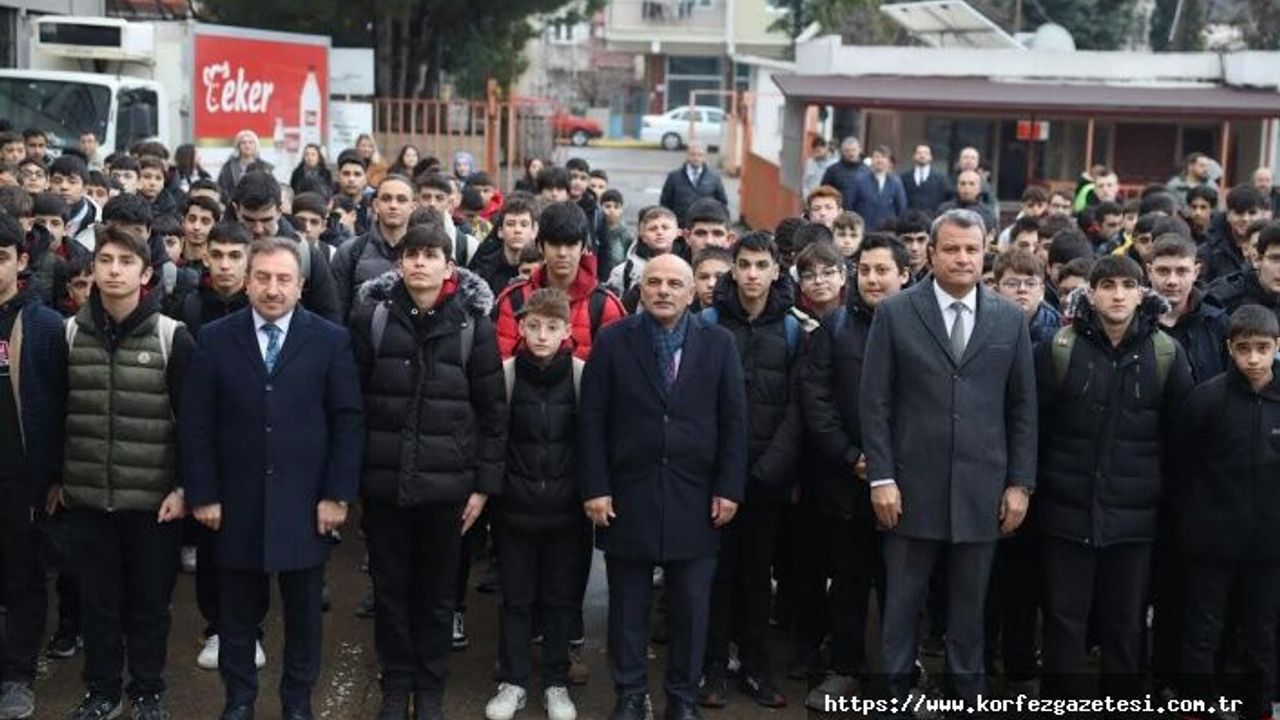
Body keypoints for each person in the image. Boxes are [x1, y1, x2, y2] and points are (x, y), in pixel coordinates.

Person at [860, 208, 1037, 707]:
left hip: (984, 492)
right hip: (909, 490)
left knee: (969, 612)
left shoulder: (1008, 318)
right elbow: (874, 403)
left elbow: (1023, 407)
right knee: (901, 608)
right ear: (931, 254)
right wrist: (882, 479)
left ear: (985, 255)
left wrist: (1020, 484)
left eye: (972, 249)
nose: (962, 258)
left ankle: (966, 698)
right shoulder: (896, 313)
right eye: (952, 249)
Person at [181, 238, 364, 720]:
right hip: (234, 500)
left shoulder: (329, 339)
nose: (272, 288)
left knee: (304, 616)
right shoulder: (217, 337)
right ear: (246, 281)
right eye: (262, 277)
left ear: (301, 286)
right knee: (236, 614)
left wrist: (336, 494)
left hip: (306, 501)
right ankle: (239, 700)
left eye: (284, 279)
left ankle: (296, 704)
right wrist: (203, 494)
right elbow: (196, 424)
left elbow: (347, 420)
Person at [579, 253, 748, 720]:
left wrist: (729, 489)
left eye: (675, 283)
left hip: (697, 496)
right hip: (627, 494)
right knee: (628, 608)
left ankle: (682, 697)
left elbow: (735, 423)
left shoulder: (718, 344)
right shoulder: (614, 341)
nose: (663, 291)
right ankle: (630, 694)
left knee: (691, 609)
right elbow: (591, 420)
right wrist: (595, 487)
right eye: (654, 281)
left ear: (693, 291)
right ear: (641, 288)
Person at [346, 224, 505, 720]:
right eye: (411, 254)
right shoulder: (370, 319)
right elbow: (352, 404)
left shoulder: (470, 326)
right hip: (386, 482)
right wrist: (352, 480)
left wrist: (483, 486)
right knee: (391, 592)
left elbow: (492, 410)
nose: (420, 263)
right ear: (399, 263)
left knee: (438, 596)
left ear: (448, 266)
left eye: (431, 254)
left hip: (448, 487)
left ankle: (431, 687)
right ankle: (396, 685)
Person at [1034, 255, 1193, 701]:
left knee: (1125, 625)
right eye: (1107, 285)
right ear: (1091, 292)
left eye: (1128, 285)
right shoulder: (1058, 348)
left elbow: (1180, 442)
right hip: (1066, 513)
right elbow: (1035, 431)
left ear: (1142, 292)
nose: (1118, 294)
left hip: (1135, 521)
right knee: (1064, 623)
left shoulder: (1165, 353)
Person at [53, 226, 193, 720]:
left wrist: (182, 487)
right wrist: (57, 480)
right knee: (98, 605)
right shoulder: (69, 333)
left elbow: (191, 424)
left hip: (153, 502)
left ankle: (148, 691)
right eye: (106, 260)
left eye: (126, 262)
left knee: (149, 607)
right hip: (88, 497)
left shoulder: (170, 336)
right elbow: (56, 413)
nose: (114, 270)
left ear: (147, 273)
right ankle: (102, 692)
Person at [798, 232, 910, 710]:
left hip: (908, 484)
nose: (873, 279)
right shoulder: (836, 328)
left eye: (883, 270)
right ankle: (844, 669)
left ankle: (901, 676)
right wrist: (851, 455)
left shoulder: (923, 327)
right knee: (848, 580)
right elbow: (816, 400)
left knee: (903, 586)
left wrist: (897, 464)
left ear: (905, 274)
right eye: (865, 270)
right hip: (847, 481)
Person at [696, 233, 806, 711]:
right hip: (716, 479)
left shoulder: (794, 329)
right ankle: (714, 667)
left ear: (777, 270)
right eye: (745, 265)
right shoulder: (707, 323)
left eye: (762, 265)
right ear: (733, 270)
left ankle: (757, 669)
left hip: (768, 479)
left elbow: (798, 407)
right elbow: (695, 405)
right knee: (716, 575)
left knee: (758, 579)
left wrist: (769, 470)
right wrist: (720, 473)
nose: (753, 274)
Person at [1172, 305, 1280, 720]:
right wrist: (1194, 525)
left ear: (1276, 347)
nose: (1253, 358)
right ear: (1229, 348)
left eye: (1262, 349)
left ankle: (1258, 709)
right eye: (1244, 349)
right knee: (1202, 631)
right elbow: (1181, 469)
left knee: (1261, 633)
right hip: (1211, 541)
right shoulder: (1206, 401)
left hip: (1269, 546)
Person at [483, 288, 583, 720]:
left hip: (568, 512)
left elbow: (592, 443)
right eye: (534, 326)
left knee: (562, 600)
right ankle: (514, 681)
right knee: (517, 599)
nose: (542, 335)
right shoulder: (504, 376)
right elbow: (492, 441)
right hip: (515, 511)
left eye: (552, 326)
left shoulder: (582, 377)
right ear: (521, 328)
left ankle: (557, 683)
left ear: (566, 332)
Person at [0, 211, 67, 720]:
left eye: (1, 256)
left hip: (20, 478)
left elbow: (64, 406)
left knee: (22, 578)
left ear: (22, 261)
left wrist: (56, 477)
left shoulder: (42, 326)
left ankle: (18, 676)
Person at [230, 171, 342, 324]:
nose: (258, 228)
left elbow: (329, 318)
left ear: (279, 211)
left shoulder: (306, 254)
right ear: (236, 210)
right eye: (249, 220)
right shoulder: (220, 251)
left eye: (266, 220)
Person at [330, 175, 417, 319]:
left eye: (401, 200)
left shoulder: (426, 254)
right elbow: (337, 311)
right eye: (386, 198)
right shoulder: (350, 251)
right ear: (375, 205)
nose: (393, 205)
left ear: (413, 207)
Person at [1148, 235, 1228, 383]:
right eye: (1163, 271)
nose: (1172, 281)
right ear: (1149, 272)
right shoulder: (1133, 322)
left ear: (1195, 273)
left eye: (1181, 271)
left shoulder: (1217, 323)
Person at [470, 193, 541, 296]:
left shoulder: (543, 269)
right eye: (510, 224)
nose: (517, 230)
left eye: (524, 224)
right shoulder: (484, 270)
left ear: (534, 231)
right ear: (500, 231)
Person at [1199, 185, 1266, 284]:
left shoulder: (1272, 249)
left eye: (1252, 213)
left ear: (1263, 214)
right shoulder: (1208, 252)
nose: (1245, 219)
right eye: (1239, 213)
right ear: (1227, 215)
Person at [993, 250, 1060, 343]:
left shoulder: (1058, 333)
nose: (1022, 289)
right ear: (996, 291)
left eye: (1030, 284)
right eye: (1012, 284)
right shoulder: (984, 329)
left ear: (1042, 291)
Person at [659, 142, 728, 228]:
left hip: (705, 226)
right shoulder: (674, 177)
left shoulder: (714, 177)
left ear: (705, 157)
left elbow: (722, 203)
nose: (696, 158)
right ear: (687, 155)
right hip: (680, 227)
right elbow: (665, 203)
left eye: (700, 155)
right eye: (693, 154)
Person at [851, 145, 907, 234]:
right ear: (872, 160)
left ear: (889, 161)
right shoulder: (859, 180)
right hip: (864, 230)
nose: (879, 160)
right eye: (877, 157)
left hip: (887, 232)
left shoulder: (896, 182)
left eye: (883, 157)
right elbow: (851, 206)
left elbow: (901, 208)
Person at [820, 138, 868, 213]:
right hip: (838, 212)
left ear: (859, 150)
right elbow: (824, 192)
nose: (851, 153)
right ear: (842, 152)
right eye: (847, 150)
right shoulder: (832, 170)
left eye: (853, 150)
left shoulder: (867, 171)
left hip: (861, 213)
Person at [901, 144, 950, 213]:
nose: (922, 156)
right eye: (919, 153)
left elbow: (945, 199)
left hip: (933, 217)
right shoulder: (904, 177)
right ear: (913, 156)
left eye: (926, 153)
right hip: (910, 219)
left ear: (931, 157)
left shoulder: (940, 178)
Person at [216, 131, 261, 203]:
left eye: (250, 142)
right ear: (238, 146)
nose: (247, 146)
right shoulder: (228, 167)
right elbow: (221, 189)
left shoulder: (263, 167)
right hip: (232, 207)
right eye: (243, 143)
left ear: (255, 145)